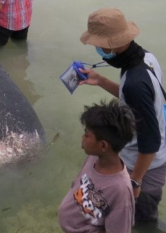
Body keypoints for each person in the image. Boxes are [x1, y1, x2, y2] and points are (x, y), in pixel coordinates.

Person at [78, 8, 166, 230]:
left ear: (110, 45)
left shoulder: (135, 84)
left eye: (98, 45)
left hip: (146, 166)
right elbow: (133, 99)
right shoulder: (145, 58)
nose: (98, 49)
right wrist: (100, 80)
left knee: (144, 222)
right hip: (151, 158)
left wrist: (135, 181)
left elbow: (150, 143)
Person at [59, 99, 136, 233]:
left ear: (103, 145)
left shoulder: (120, 190)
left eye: (86, 135)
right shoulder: (94, 157)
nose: (82, 137)